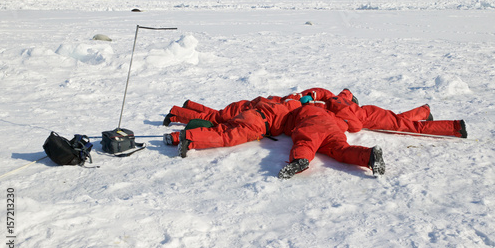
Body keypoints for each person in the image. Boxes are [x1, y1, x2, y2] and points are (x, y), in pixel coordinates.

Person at [166, 99, 302, 158]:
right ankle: (185, 138)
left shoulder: (287, 103)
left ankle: (177, 124)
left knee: (216, 122)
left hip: (251, 113)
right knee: (223, 136)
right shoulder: (297, 115)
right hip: (258, 125)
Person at [278, 104, 385, 179]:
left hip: (311, 124)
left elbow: (286, 123)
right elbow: (343, 124)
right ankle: (369, 155)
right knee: (342, 150)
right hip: (332, 128)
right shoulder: (331, 114)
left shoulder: (302, 109)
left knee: (306, 142)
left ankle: (299, 160)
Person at [162, 88, 355, 127]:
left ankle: (187, 107)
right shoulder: (323, 102)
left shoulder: (317, 98)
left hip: (255, 105)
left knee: (218, 116)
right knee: (216, 120)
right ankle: (176, 114)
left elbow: (314, 92)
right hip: (255, 110)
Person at [325, 95, 467, 138]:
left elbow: (356, 127)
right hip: (372, 111)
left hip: (376, 119)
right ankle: (423, 112)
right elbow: (346, 93)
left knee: (414, 128)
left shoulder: (338, 112)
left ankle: (455, 127)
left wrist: (344, 124)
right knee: (399, 119)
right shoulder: (333, 100)